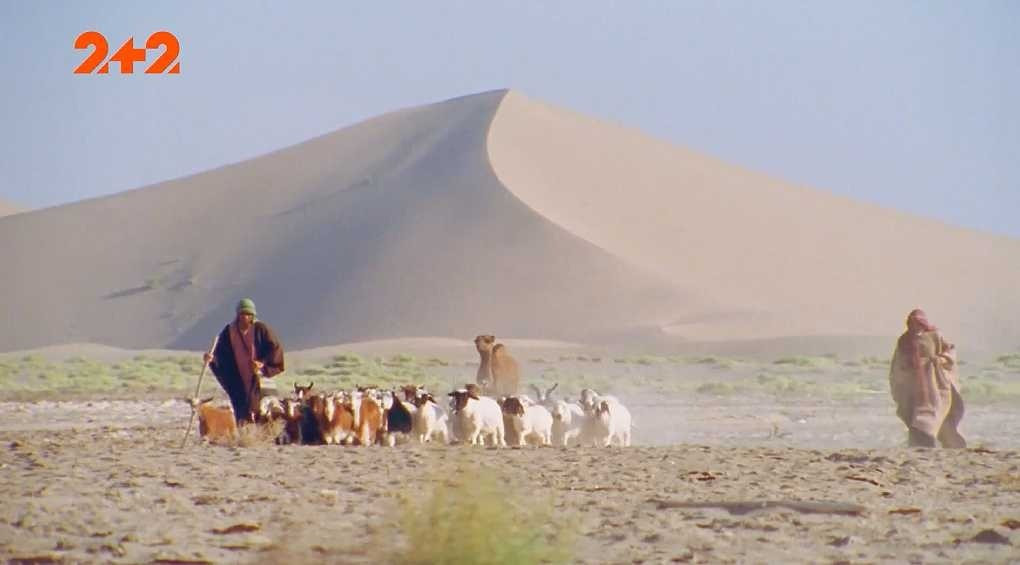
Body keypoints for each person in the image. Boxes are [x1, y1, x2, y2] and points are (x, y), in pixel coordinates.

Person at [888, 308, 966, 448]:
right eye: (912, 323)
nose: (915, 326)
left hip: (936, 383)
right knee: (915, 412)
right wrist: (906, 370)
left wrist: (940, 360)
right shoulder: (904, 340)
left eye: (918, 323)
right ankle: (921, 443)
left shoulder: (935, 335)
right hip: (914, 384)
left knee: (938, 410)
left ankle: (948, 442)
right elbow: (898, 362)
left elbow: (949, 351)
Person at [203, 298, 285, 424]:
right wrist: (212, 359)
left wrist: (262, 363)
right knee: (241, 410)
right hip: (238, 379)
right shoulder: (229, 331)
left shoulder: (261, 329)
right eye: (242, 314)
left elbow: (274, 348)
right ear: (237, 315)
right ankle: (245, 436)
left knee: (261, 409)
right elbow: (220, 354)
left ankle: (261, 437)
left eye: (248, 314)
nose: (245, 317)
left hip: (259, 378)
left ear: (253, 316)